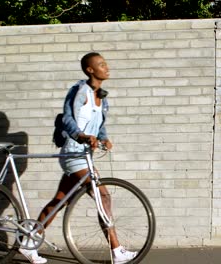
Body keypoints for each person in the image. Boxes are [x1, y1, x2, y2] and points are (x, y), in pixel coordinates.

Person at [19, 52, 136, 264]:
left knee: (59, 201)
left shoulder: (102, 97)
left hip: (84, 154)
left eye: (106, 63)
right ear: (90, 70)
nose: (106, 67)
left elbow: (97, 125)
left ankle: (28, 242)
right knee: (104, 196)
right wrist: (81, 135)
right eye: (101, 64)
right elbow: (68, 118)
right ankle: (116, 250)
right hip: (73, 152)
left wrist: (104, 138)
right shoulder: (79, 91)